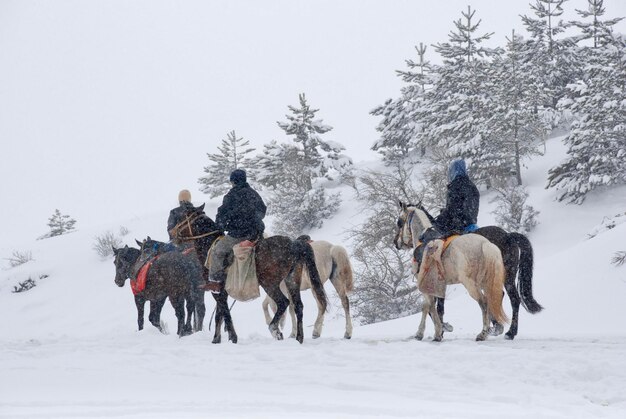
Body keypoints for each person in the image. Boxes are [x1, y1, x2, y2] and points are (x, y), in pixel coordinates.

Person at [418, 158, 480, 333]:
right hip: (472, 225)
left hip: (457, 227)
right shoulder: (472, 186)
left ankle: (438, 280)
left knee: (435, 253)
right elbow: (467, 208)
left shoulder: (455, 186)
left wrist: (439, 220)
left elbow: (453, 210)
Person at [201, 169, 266, 294]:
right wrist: (253, 221)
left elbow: (222, 215)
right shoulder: (253, 193)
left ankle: (215, 283)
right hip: (256, 234)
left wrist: (221, 226)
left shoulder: (231, 196)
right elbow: (262, 211)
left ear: (233, 181)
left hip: (238, 235)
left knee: (217, 251)